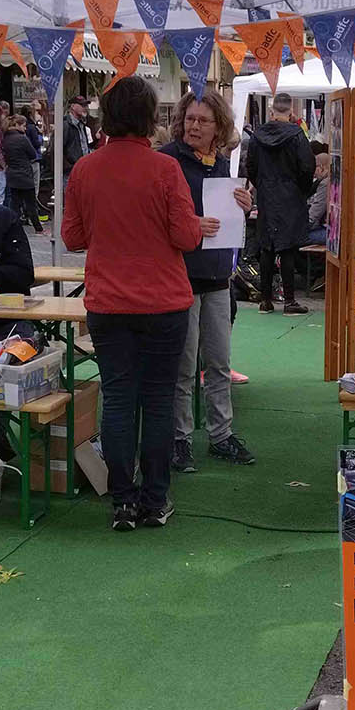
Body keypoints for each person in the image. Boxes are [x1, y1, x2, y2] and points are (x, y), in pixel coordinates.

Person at [61, 76, 205, 532]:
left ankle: (121, 499)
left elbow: (72, 237)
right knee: (159, 402)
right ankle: (155, 499)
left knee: (119, 400)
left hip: (108, 304)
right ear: (149, 118)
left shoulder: (85, 169)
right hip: (164, 302)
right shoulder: (165, 170)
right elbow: (186, 236)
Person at [158, 90, 257, 473]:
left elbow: (228, 220)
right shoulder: (167, 161)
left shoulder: (222, 165)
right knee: (183, 368)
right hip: (180, 277)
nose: (194, 126)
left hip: (217, 277)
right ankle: (179, 440)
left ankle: (221, 435)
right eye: (190, 118)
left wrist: (244, 208)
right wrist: (190, 226)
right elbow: (156, 218)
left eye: (203, 120)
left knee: (219, 363)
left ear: (219, 127)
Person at [246, 93, 317, 315]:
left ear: (272, 110)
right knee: (287, 247)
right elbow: (307, 166)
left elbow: (251, 167)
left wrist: (263, 185)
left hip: (267, 194)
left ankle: (265, 299)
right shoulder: (297, 135)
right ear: (292, 111)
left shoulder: (257, 136)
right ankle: (289, 301)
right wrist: (301, 189)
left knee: (267, 246)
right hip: (290, 195)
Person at [2, 115, 42, 232]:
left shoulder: (5, 139)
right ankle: (38, 227)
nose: (25, 129)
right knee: (30, 203)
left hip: (12, 174)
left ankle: (13, 226)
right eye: (23, 126)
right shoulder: (22, 138)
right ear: (17, 125)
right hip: (24, 173)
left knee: (15, 203)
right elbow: (32, 154)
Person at [61, 94, 93, 184]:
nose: (85, 108)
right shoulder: (65, 125)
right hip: (70, 173)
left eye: (85, 105)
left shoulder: (81, 125)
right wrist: (68, 167)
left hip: (81, 171)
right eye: (82, 105)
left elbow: (84, 147)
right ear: (73, 106)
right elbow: (56, 150)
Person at [307, 152, 331, 244]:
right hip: (331, 229)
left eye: (314, 168)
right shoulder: (331, 179)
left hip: (328, 231)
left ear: (321, 167)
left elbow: (315, 213)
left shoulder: (325, 183)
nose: (313, 173)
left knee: (297, 238)